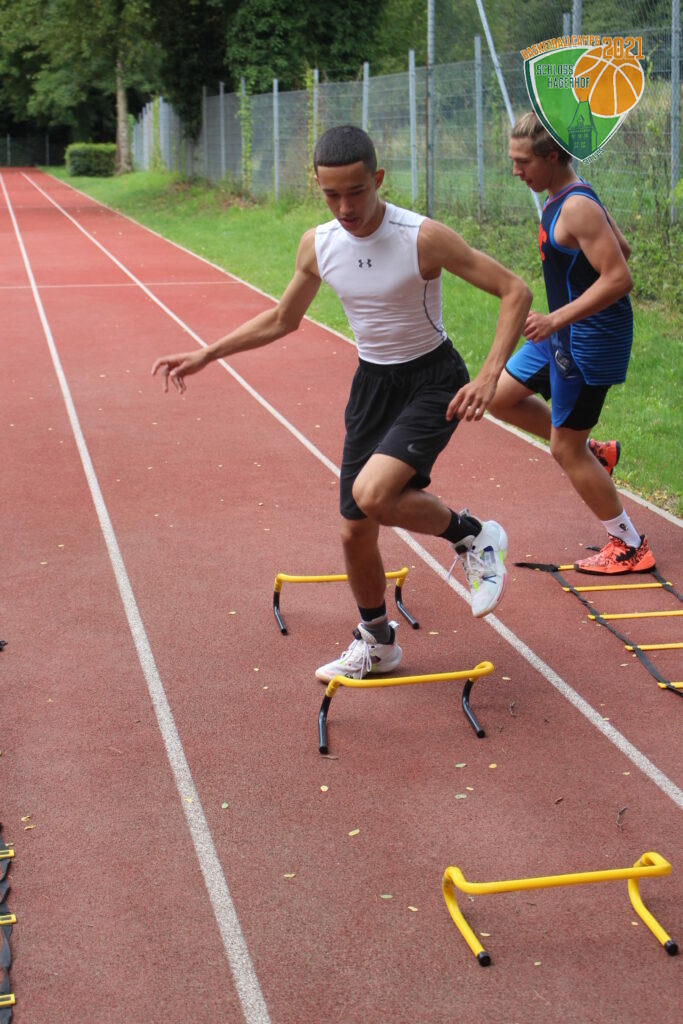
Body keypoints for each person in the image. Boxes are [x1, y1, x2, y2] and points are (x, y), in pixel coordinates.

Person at [152, 124, 531, 681]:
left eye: (356, 191)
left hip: (432, 379)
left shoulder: (421, 237)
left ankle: (472, 535)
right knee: (355, 530)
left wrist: (491, 375)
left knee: (373, 494)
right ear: (318, 188)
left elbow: (515, 291)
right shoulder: (319, 244)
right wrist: (207, 353)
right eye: (332, 195)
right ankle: (378, 641)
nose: (346, 207)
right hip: (372, 385)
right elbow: (282, 319)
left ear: (378, 179)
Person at [489, 112, 655, 575]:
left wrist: (556, 317)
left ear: (551, 157)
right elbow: (621, 247)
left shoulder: (577, 206)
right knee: (499, 397)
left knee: (564, 449)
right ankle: (595, 452)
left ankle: (630, 545)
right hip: (562, 333)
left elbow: (620, 276)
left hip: (588, 342)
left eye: (523, 162)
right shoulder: (563, 196)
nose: (516, 171)